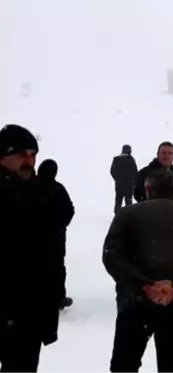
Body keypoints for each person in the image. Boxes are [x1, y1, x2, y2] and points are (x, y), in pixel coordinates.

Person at [103, 168, 173, 373]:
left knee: (124, 366)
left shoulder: (127, 215)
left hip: (135, 302)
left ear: (148, 189)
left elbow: (112, 256)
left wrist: (143, 285)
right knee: (171, 366)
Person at [0, 124, 65, 373]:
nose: (29, 161)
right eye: (21, 155)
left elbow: (50, 253)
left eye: (32, 155)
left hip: (28, 309)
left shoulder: (42, 191)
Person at [37, 159, 75, 310]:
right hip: (55, 238)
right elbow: (69, 210)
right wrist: (60, 226)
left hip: (32, 237)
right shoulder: (58, 189)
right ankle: (58, 298)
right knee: (57, 268)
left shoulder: (29, 186)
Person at [110, 144, 138, 213]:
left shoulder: (116, 159)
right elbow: (135, 173)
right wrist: (134, 182)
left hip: (119, 186)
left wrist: (117, 179)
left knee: (118, 203)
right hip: (129, 186)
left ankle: (116, 219)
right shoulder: (131, 159)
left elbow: (112, 171)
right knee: (128, 205)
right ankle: (128, 220)